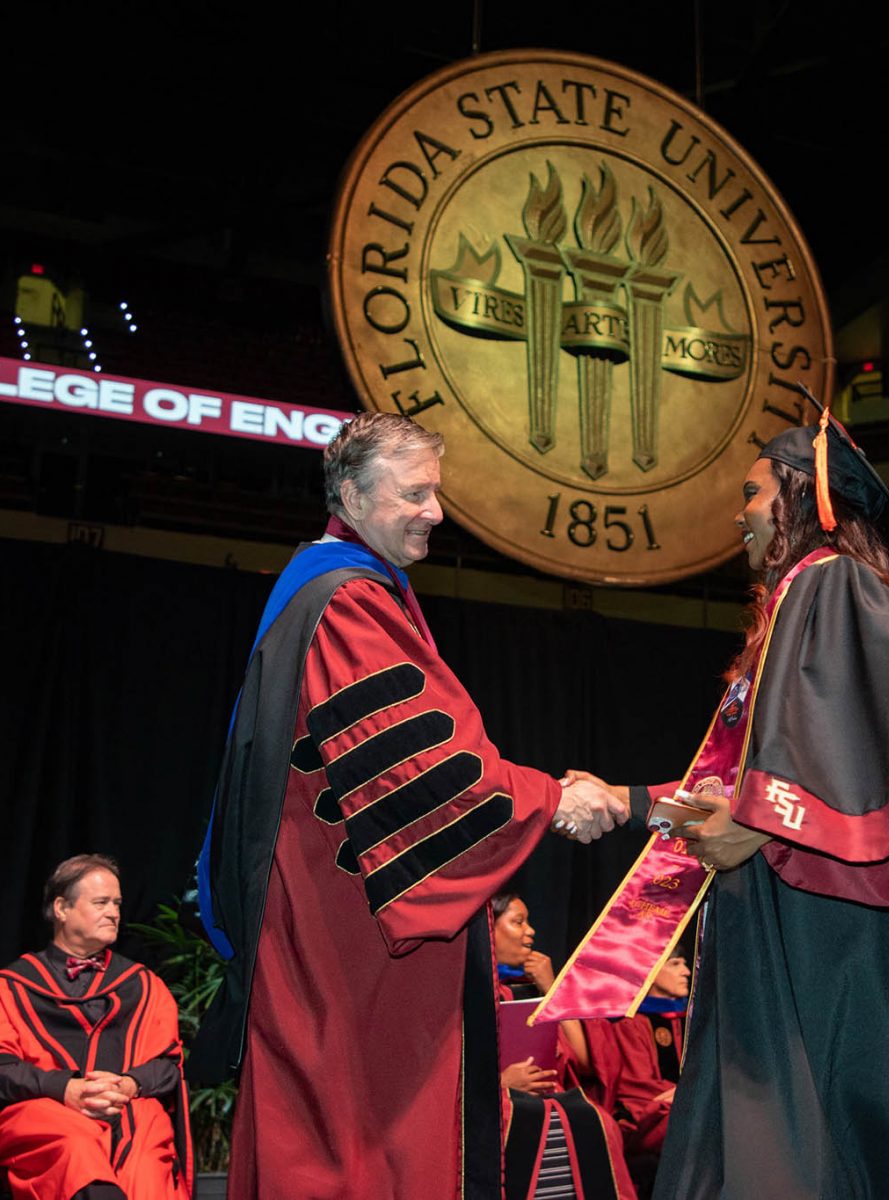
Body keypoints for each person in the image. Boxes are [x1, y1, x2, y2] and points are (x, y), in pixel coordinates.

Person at [192, 412, 627, 1200]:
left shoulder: (335, 588)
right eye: (416, 492)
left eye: (437, 492)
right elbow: (426, 776)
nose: (435, 510)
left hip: (323, 918)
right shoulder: (345, 602)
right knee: (355, 1149)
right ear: (352, 497)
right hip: (342, 938)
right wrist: (553, 798)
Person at [570, 416, 889, 1199]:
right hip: (785, 906)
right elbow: (731, 793)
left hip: (831, 928)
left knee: (808, 1144)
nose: (741, 513)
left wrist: (762, 823)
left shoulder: (835, 585)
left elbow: (865, 767)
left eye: (753, 493)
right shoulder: (794, 609)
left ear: (802, 495)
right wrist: (624, 801)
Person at [0, 854, 192, 1200]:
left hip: (130, 1106)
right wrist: (66, 1088)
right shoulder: (11, 987)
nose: (114, 913)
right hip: (45, 1110)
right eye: (101, 902)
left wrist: (128, 1084)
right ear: (62, 908)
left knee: (146, 1162)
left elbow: (168, 1065)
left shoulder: (144, 986)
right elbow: (3, 1069)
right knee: (75, 1150)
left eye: (117, 903)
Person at [493, 894, 636, 1200]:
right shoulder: (465, 992)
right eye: (518, 922)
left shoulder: (530, 991)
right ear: (488, 930)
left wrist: (552, 988)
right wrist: (501, 1083)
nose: (530, 931)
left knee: (597, 1120)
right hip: (494, 1100)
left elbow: (586, 1060)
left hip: (548, 1096)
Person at [585, 955, 690, 1198]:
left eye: (685, 964)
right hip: (648, 1118)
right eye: (675, 964)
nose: (686, 971)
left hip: (683, 1105)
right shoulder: (630, 1023)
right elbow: (637, 1087)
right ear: (650, 969)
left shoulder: (693, 1019)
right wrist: (689, 1092)